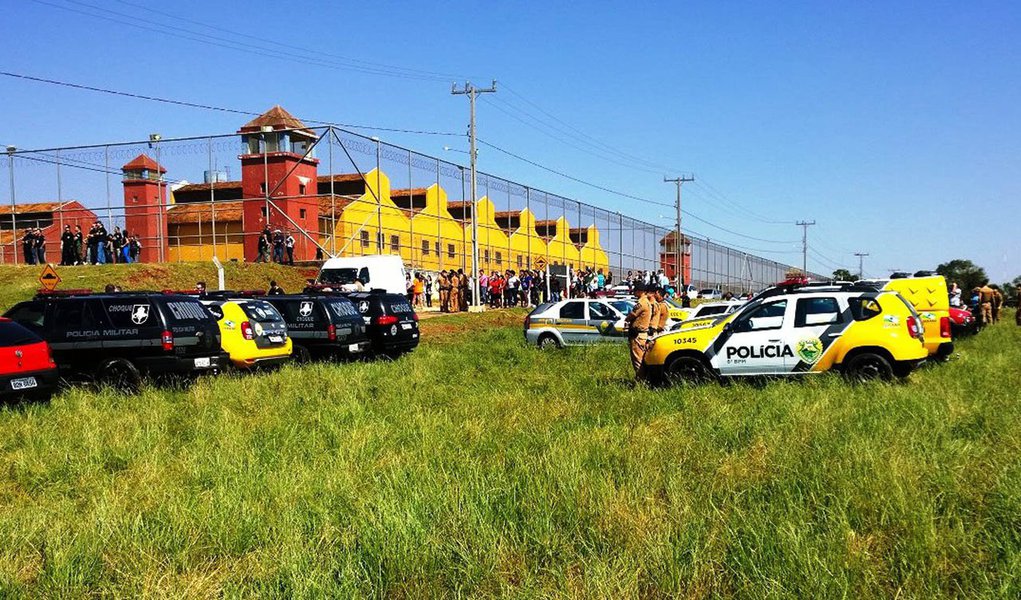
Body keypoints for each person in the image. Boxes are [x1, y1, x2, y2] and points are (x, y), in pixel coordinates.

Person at [624, 284, 654, 376]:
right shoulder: (647, 302)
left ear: (640, 291)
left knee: (637, 360)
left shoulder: (641, 303)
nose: (634, 293)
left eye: (635, 291)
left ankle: (640, 381)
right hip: (641, 334)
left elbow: (632, 315)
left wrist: (627, 319)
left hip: (638, 335)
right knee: (640, 359)